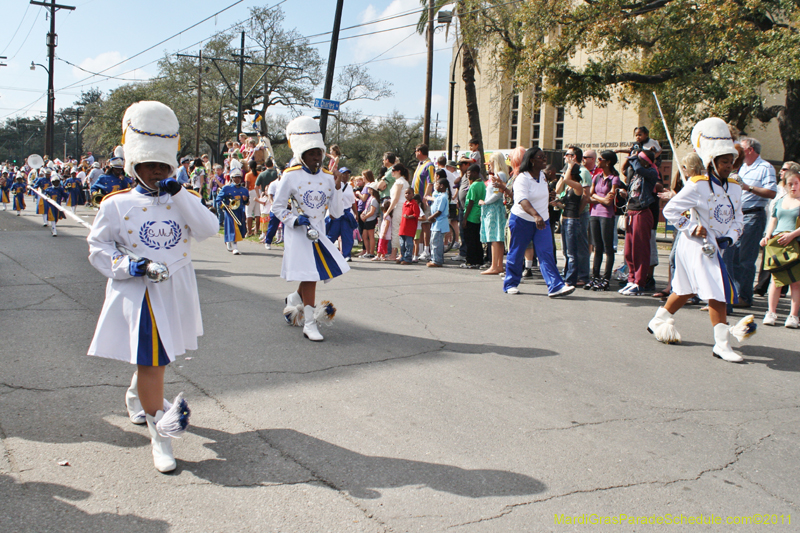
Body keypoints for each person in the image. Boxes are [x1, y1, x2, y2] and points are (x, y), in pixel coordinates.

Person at [87, 100, 219, 472]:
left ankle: (136, 394)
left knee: (158, 358)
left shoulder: (184, 200)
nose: (158, 172)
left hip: (176, 290)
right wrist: (127, 264)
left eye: (163, 165)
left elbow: (209, 229)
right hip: (140, 292)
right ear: (135, 166)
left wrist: (181, 194)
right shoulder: (116, 205)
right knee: (153, 359)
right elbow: (98, 248)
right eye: (150, 165)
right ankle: (161, 435)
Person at [648, 117, 756, 363]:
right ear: (712, 162)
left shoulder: (736, 187)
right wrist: (691, 227)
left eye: (731, 161)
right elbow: (670, 210)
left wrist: (730, 238)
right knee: (718, 290)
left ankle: (658, 319)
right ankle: (722, 344)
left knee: (684, 290)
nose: (729, 165)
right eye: (724, 161)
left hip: (720, 245)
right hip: (697, 246)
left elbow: (738, 218)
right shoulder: (697, 186)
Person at [271, 116, 349, 342]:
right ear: (302, 154)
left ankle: (295, 299)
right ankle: (309, 323)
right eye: (311, 153)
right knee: (311, 274)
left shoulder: (329, 178)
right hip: (298, 233)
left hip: (319, 232)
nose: (316, 157)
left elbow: (336, 213)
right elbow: (277, 207)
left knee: (310, 274)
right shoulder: (290, 175)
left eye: (319, 153)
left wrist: (338, 188)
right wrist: (294, 220)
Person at [504, 147, 575, 297]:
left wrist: (549, 196)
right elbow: (522, 200)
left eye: (544, 156)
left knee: (546, 253)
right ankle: (510, 283)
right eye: (540, 157)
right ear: (531, 160)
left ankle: (555, 286)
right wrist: (536, 215)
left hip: (543, 220)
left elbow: (539, 195)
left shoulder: (542, 176)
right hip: (522, 220)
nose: (544, 159)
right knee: (517, 252)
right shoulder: (522, 178)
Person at [722, 137, 777, 308]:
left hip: (753, 215)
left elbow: (771, 192)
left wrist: (748, 187)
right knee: (734, 257)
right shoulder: (741, 167)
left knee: (746, 259)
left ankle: (745, 296)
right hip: (738, 215)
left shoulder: (765, 168)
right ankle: (735, 294)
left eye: (741, 148)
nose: (737, 150)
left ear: (750, 150)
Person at [760, 168, 800, 327]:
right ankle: (771, 313)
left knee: (796, 282)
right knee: (776, 281)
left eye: (796, 183)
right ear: (785, 185)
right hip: (777, 245)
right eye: (790, 184)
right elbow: (773, 220)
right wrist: (767, 236)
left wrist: (792, 235)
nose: (793, 187)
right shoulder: (780, 201)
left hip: (795, 244)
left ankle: (793, 316)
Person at [619, 149, 660, 295]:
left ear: (646, 161)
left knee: (640, 250)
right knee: (629, 251)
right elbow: (628, 171)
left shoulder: (651, 172)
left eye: (640, 159)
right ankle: (631, 280)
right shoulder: (635, 172)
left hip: (642, 213)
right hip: (631, 212)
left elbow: (639, 168)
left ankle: (639, 282)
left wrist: (634, 159)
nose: (636, 162)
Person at [587, 151, 622, 290]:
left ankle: (606, 279)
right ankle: (595, 277)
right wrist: (600, 197)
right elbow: (589, 196)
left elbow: (609, 202)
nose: (598, 161)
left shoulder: (614, 179)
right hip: (594, 214)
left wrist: (596, 197)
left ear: (608, 162)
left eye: (601, 159)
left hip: (607, 215)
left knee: (608, 247)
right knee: (597, 247)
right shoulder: (596, 177)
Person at [555, 161, 585, 286]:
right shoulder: (569, 188)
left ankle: (571, 279)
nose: (563, 175)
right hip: (566, 218)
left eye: (565, 172)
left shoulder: (578, 186)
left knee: (572, 253)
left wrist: (570, 167)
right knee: (566, 252)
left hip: (572, 220)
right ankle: (567, 276)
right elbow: (564, 201)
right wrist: (558, 204)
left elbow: (566, 179)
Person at [480, 152, 509, 275]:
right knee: (497, 238)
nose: (489, 166)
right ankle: (498, 265)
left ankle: (495, 265)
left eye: (490, 163)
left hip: (494, 208)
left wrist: (485, 202)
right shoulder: (501, 174)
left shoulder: (499, 175)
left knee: (494, 237)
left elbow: (498, 193)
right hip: (496, 208)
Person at [325, 167, 356, 261]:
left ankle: (346, 254)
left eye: (347, 174)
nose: (346, 176)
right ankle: (324, 251)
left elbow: (353, 202)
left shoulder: (349, 187)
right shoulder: (334, 184)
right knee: (332, 234)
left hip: (346, 213)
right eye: (344, 174)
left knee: (347, 235)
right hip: (337, 213)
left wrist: (356, 213)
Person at [216, 165, 249, 255]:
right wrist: (224, 206)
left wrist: (245, 199)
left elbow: (246, 202)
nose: (237, 179)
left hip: (240, 211)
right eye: (235, 177)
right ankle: (235, 247)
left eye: (238, 177)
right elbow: (219, 199)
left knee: (239, 229)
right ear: (231, 178)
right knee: (233, 229)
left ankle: (229, 241)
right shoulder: (226, 188)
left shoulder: (244, 190)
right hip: (230, 211)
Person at [384, 163, 411, 261]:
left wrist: (387, 212)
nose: (392, 172)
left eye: (393, 170)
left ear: (399, 171)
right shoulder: (404, 182)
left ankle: (394, 254)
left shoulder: (399, 182)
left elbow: (395, 199)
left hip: (399, 207)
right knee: (402, 231)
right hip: (404, 207)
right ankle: (401, 253)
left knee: (396, 230)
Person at [427, 176, 450, 268]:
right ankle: (435, 258)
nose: (435, 186)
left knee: (436, 242)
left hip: (440, 222)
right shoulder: (439, 196)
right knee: (434, 241)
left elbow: (439, 210)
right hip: (436, 222)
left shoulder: (443, 197)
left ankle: (437, 260)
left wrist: (431, 217)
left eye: (436, 184)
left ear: (441, 185)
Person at [398, 188, 419, 265]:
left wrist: (409, 217)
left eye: (409, 193)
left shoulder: (414, 204)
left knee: (408, 244)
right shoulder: (404, 204)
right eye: (406, 193)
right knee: (402, 244)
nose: (407, 195)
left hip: (410, 228)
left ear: (413, 194)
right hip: (403, 227)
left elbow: (416, 215)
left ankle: (408, 258)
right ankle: (402, 257)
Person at [360, 183, 380, 258]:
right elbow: (367, 208)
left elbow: (372, 211)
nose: (368, 190)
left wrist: (365, 217)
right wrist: (363, 214)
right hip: (367, 219)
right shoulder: (370, 198)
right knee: (364, 236)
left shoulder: (374, 199)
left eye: (369, 189)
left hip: (371, 219)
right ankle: (367, 251)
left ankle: (371, 252)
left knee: (371, 236)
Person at [243, 161, 260, 237]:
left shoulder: (248, 175)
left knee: (248, 212)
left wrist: (245, 195)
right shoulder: (259, 173)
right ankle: (256, 230)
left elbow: (247, 186)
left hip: (251, 191)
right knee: (257, 212)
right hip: (258, 191)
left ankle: (249, 231)